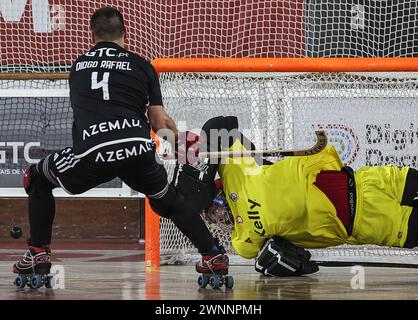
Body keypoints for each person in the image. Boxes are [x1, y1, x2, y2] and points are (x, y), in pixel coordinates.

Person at [13, 7, 227, 278]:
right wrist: (178, 142)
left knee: (35, 178)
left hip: (94, 151)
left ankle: (38, 253)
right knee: (167, 201)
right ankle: (212, 253)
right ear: (125, 32)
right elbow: (159, 123)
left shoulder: (78, 66)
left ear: (92, 35)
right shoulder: (141, 65)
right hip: (136, 148)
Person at [194, 116, 418, 276]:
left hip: (370, 181)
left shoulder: (234, 169)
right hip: (368, 223)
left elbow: (220, 124)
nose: (217, 218)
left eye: (212, 210)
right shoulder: (243, 242)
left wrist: (206, 175)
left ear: (216, 193)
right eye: (211, 219)